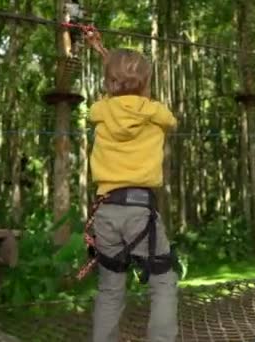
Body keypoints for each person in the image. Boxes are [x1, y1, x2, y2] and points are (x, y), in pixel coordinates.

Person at [83, 29, 179, 342]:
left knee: (110, 288)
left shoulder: (100, 112)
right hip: (140, 210)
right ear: (147, 85)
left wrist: (110, 67)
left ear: (109, 84)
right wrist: (142, 91)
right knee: (163, 282)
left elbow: (108, 101)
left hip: (106, 212)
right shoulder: (155, 114)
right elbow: (168, 119)